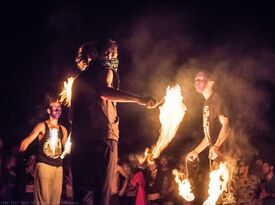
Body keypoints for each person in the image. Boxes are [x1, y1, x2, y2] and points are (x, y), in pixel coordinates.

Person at [71, 39, 158, 205]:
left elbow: (70, 116)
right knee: (101, 192)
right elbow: (104, 91)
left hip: (80, 142)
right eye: (113, 53)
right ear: (105, 54)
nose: (114, 57)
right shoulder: (105, 70)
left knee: (83, 195)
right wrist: (140, 99)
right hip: (103, 139)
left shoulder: (77, 80)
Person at [186, 70, 230, 203]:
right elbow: (208, 137)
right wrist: (195, 151)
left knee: (228, 197)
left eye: (201, 79)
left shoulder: (216, 99)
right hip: (216, 159)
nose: (197, 82)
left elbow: (226, 125)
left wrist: (216, 146)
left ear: (210, 82)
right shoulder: (206, 104)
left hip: (226, 157)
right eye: (195, 80)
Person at [19, 99, 68, 205]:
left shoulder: (63, 130)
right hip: (44, 166)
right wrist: (21, 157)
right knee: (43, 200)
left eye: (59, 108)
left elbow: (63, 150)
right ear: (48, 110)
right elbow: (28, 140)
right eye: (54, 107)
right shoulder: (42, 126)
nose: (57, 109)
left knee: (55, 201)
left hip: (58, 168)